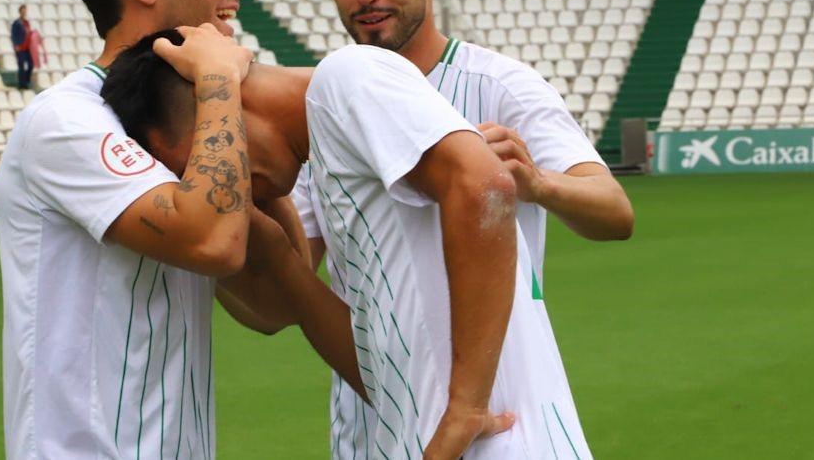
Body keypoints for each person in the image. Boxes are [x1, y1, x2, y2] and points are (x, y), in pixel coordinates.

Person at [102, 29, 591, 459]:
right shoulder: (332, 163)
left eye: (200, 159)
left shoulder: (346, 75)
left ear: (218, 106)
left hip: (501, 440)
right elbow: (380, 373)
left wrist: (465, 407)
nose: (217, 180)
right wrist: (282, 260)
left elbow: (486, 186)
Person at [308, 0, 635, 458]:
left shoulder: (499, 84)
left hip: (500, 417)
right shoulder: (332, 104)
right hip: (372, 418)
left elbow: (614, 212)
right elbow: (289, 272)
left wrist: (539, 184)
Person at [0, 0, 280, 460]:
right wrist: (221, 81)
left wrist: (268, 170)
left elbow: (272, 306)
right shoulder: (67, 121)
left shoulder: (185, 118)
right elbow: (214, 242)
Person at [10, 4, 33, 89]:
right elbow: (13, 34)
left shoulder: (27, 22)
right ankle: (22, 83)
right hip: (20, 48)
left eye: (25, 10)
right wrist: (16, 45)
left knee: (31, 64)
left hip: (27, 48)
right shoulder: (17, 23)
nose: (24, 12)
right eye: (23, 10)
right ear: (20, 11)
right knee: (21, 65)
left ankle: (26, 81)